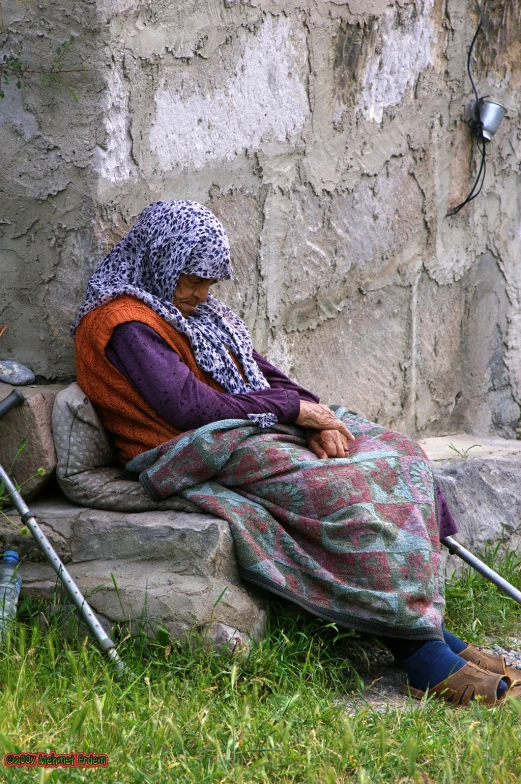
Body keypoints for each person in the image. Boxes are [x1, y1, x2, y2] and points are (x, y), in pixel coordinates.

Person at [73, 200, 519, 706]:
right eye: (193, 278)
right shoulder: (125, 323)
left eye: (210, 282)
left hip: (239, 428)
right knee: (340, 490)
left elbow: (266, 376)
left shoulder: (192, 313)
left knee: (397, 453)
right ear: (161, 260)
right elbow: (186, 407)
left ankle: (425, 629)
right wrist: (291, 411)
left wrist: (314, 417)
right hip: (185, 448)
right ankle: (418, 654)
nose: (202, 292)